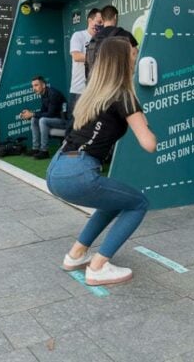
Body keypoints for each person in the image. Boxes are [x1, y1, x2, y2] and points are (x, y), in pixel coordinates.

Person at [46, 37, 155, 286]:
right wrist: (147, 126)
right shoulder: (124, 96)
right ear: (121, 61)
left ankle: (75, 255)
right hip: (78, 173)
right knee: (139, 202)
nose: (135, 58)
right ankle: (98, 266)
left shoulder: (92, 95)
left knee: (114, 200)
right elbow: (148, 144)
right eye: (132, 54)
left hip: (56, 171)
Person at [19, 76, 66, 159]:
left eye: (36, 85)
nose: (34, 88)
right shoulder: (43, 94)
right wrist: (30, 114)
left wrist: (32, 114)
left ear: (43, 85)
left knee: (42, 120)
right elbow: (43, 112)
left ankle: (44, 151)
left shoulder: (53, 94)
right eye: (33, 86)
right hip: (54, 120)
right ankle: (35, 148)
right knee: (34, 119)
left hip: (64, 121)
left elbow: (50, 114)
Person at [69, 8, 102, 116]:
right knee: (75, 126)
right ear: (89, 21)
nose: (100, 26)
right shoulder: (78, 36)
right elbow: (76, 56)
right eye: (98, 22)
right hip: (79, 90)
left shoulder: (102, 39)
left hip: (96, 91)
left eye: (102, 23)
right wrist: (98, 57)